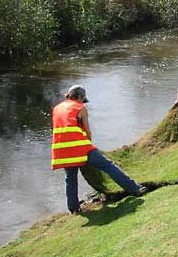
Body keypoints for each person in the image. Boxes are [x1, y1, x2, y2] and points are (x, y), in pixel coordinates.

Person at [51, 85, 146, 214]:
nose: (83, 102)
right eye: (83, 99)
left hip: (61, 150)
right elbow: (87, 131)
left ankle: (74, 209)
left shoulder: (56, 109)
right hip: (80, 148)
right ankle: (135, 189)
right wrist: (90, 146)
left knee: (70, 178)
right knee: (108, 165)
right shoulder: (80, 108)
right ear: (79, 97)